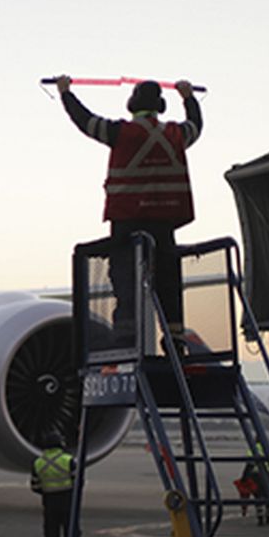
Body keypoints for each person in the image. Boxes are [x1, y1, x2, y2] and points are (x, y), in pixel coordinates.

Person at [55, 76, 202, 349]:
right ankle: (175, 340)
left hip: (127, 224)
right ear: (160, 105)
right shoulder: (175, 135)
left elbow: (85, 121)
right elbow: (196, 126)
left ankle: (125, 341)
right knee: (169, 284)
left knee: (126, 283)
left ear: (132, 104)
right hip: (165, 224)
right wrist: (188, 97)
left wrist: (66, 93)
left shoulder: (121, 133)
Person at [32, 431, 78, 537]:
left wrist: (47, 492)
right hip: (68, 503)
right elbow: (78, 483)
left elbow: (35, 486)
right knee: (71, 536)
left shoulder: (38, 463)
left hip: (50, 505)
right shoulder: (69, 460)